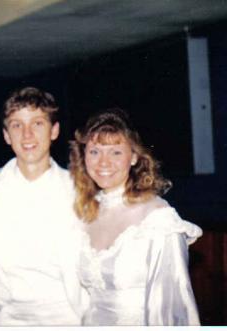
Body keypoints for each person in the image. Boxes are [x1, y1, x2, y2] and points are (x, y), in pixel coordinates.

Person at [69, 108, 201, 326]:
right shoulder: (84, 214)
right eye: (94, 152)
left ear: (134, 157)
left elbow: (172, 309)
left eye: (116, 152)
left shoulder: (158, 219)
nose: (103, 162)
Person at [0, 86, 88, 325]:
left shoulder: (81, 190)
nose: (27, 135)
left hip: (68, 316)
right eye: (17, 125)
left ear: (54, 131)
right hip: (6, 318)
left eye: (37, 123)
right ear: (6, 135)